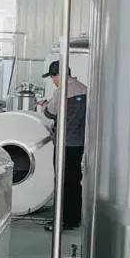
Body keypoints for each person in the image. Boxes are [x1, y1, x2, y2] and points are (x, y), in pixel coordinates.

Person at [41, 60, 86, 231]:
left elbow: (50, 112)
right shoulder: (84, 88)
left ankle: (62, 221)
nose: (53, 80)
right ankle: (74, 219)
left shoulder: (63, 91)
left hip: (64, 143)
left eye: (53, 77)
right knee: (75, 181)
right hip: (79, 143)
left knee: (62, 182)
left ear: (59, 75)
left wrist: (44, 104)